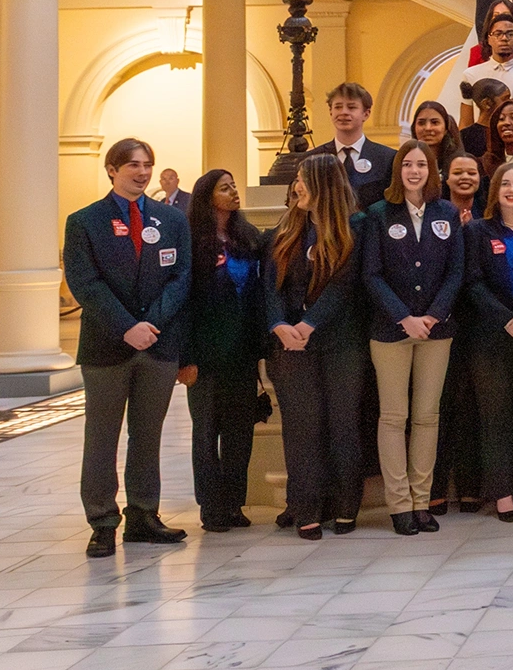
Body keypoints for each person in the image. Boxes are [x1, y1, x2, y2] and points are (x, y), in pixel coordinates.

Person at [65, 138, 191, 557]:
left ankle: (143, 514)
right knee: (102, 437)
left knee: (148, 435)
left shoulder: (171, 219)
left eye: (147, 164)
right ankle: (102, 520)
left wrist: (151, 323)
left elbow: (181, 277)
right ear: (112, 170)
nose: (142, 172)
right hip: (107, 345)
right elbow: (86, 284)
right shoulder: (85, 221)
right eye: (133, 165)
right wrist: (126, 327)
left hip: (157, 343)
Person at [361, 141, 462, 535]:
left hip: (437, 330)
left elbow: (455, 271)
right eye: (408, 164)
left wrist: (433, 315)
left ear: (431, 171)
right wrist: (404, 317)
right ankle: (399, 504)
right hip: (391, 330)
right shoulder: (378, 214)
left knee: (427, 417)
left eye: (422, 164)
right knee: (393, 417)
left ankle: (421, 501)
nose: (414, 171)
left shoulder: (446, 212)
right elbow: (371, 274)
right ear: (397, 170)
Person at [262, 153, 364, 540]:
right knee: (302, 428)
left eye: (303, 178)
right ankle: (306, 509)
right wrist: (279, 325)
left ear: (324, 184)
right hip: (291, 347)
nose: (297, 186)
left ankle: (344, 507)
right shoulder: (288, 228)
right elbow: (270, 285)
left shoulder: (356, 227)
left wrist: (310, 323)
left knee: (342, 425)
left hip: (341, 343)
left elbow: (345, 285)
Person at [462, 162, 513, 520]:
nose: (512, 189)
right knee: (495, 416)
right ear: (494, 191)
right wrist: (505, 319)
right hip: (489, 337)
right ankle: (502, 493)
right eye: (505, 183)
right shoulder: (477, 231)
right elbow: (472, 283)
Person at [181, 170, 262, 532]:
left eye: (233, 186)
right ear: (207, 197)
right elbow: (184, 303)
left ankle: (233, 503)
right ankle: (210, 506)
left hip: (242, 350)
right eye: (224, 188)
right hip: (205, 352)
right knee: (206, 432)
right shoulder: (191, 241)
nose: (233, 192)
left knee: (239, 432)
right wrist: (184, 358)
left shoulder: (248, 236)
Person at [315, 82, 397, 210]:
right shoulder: (314, 158)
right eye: (338, 107)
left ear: (366, 114)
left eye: (351, 107)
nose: (344, 112)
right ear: (330, 112)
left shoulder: (387, 158)